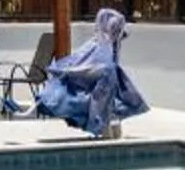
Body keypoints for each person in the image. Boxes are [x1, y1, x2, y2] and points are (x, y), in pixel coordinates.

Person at [32, 7, 149, 139]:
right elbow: (84, 65)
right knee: (105, 126)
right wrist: (65, 71)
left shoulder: (108, 45)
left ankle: (108, 135)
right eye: (117, 30)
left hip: (108, 94)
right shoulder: (99, 46)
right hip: (101, 95)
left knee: (113, 126)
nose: (119, 35)